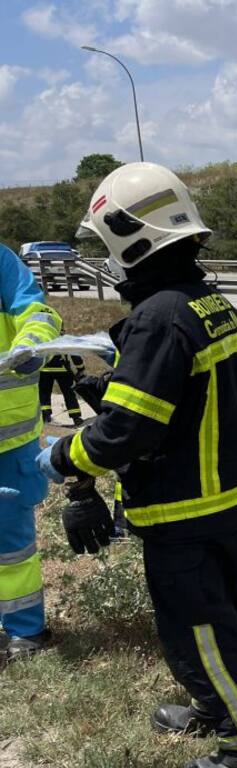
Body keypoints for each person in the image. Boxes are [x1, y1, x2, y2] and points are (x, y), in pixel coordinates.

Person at [37, 161, 237, 768]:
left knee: (198, 628)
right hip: (223, 500)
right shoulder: (208, 306)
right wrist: (105, 384)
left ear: (133, 238)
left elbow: (129, 432)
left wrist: (63, 459)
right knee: (223, 616)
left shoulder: (159, 318)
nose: (111, 261)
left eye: (110, 246)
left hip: (184, 511)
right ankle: (214, 707)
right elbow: (181, 397)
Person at [0, 243, 61, 658]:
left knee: (12, 544)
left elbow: (38, 312)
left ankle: (26, 631)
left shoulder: (1, 261)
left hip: (9, 436)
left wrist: (31, 344)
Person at [39, 353, 85, 425]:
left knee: (44, 394)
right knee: (69, 394)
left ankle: (45, 416)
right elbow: (74, 354)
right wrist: (80, 368)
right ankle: (76, 418)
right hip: (62, 368)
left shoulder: (44, 341)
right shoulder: (64, 341)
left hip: (45, 369)